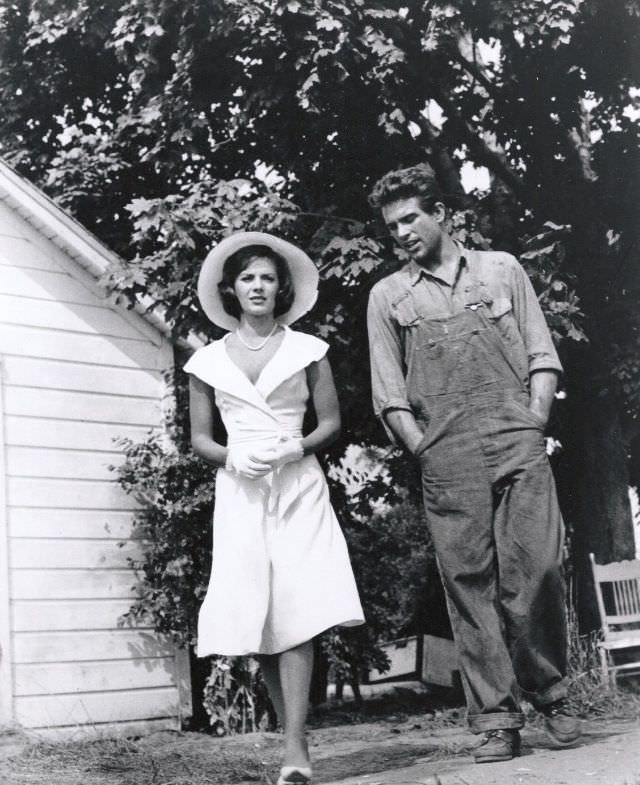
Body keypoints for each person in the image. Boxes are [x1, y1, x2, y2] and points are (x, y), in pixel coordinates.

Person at [366, 164, 581, 763]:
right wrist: (423, 447)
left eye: (410, 218)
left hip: (517, 438)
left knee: (536, 570)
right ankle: (496, 719)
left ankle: (553, 692)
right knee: (470, 587)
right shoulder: (388, 296)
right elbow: (389, 393)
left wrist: (534, 419)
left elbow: (542, 352)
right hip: (447, 454)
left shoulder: (501, 270)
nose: (402, 233)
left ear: (441, 213)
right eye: (392, 227)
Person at [185, 231, 364, 785]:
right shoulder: (208, 361)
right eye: (247, 279)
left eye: (266, 277)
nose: (258, 286)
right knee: (259, 615)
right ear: (232, 291)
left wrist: (295, 445)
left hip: (298, 486)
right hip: (241, 489)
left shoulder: (308, 349)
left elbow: (330, 423)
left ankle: (296, 750)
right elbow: (199, 439)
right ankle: (293, 738)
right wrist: (233, 459)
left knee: (298, 609)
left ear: (280, 287)